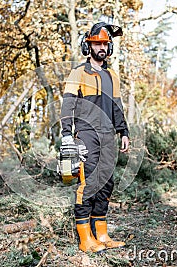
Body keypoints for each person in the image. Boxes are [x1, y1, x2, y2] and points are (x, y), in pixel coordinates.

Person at [60, 22, 129, 253]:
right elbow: (68, 104)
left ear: (109, 48)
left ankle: (101, 233)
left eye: (104, 44)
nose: (101, 47)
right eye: (96, 43)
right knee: (88, 184)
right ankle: (84, 238)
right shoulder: (78, 72)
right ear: (88, 46)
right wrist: (67, 136)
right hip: (86, 135)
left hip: (108, 135)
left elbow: (117, 106)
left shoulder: (112, 76)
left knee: (106, 184)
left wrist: (124, 132)